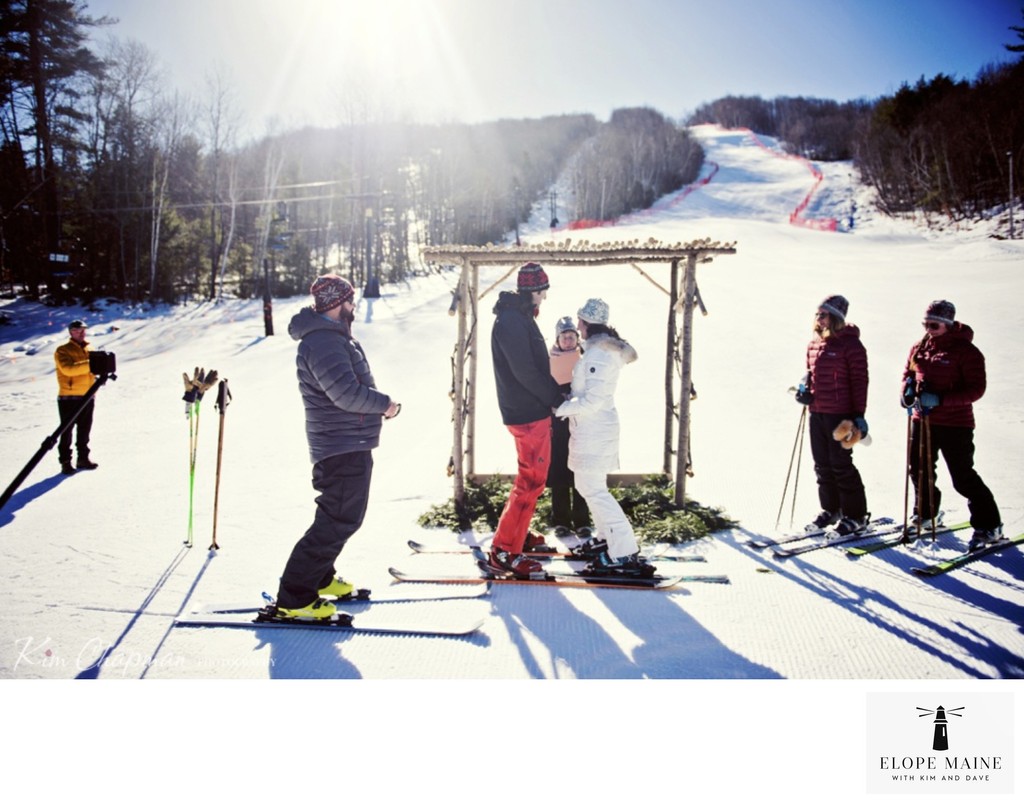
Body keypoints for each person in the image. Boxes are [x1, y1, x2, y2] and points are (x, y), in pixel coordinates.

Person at [273, 275, 400, 620]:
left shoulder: (331, 339)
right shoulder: (324, 343)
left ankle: (321, 578)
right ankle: (294, 598)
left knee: (341, 518)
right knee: (338, 519)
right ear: (337, 303)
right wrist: (385, 404)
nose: (354, 305)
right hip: (340, 446)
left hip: (347, 442)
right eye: (350, 300)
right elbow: (344, 394)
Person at [555, 298, 652, 576]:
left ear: (586, 323)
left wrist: (560, 408)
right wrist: (569, 400)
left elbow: (594, 400)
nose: (578, 326)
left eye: (580, 321)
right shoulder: (596, 351)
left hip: (594, 431)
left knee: (594, 491)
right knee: (589, 488)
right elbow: (587, 394)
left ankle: (623, 550)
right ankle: (606, 538)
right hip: (591, 430)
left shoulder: (598, 354)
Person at [901, 300, 1002, 551]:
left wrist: (941, 399)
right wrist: (907, 390)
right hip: (922, 419)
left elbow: (976, 390)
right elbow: (909, 374)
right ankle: (927, 513)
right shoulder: (919, 347)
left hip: (955, 423)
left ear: (947, 324)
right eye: (925, 323)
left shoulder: (966, 351)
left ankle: (990, 525)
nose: (928, 329)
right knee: (919, 469)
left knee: (963, 477)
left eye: (933, 324)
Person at [488, 262, 566, 577]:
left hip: (528, 409)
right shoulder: (512, 322)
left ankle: (517, 537)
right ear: (533, 291)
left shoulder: (518, 318)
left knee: (530, 477)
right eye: (543, 291)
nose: (544, 298)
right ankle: (505, 551)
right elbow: (525, 371)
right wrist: (553, 397)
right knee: (532, 480)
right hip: (527, 412)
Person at [796, 295, 870, 536]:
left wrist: (858, 414)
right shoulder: (814, 344)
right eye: (817, 314)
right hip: (817, 412)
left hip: (841, 415)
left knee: (841, 464)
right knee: (822, 465)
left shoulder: (851, 345)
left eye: (823, 314)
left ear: (836, 317)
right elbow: (810, 376)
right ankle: (831, 509)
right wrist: (805, 392)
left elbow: (860, 382)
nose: (818, 318)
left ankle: (856, 515)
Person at [547, 316, 591, 538]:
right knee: (559, 468)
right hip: (557, 420)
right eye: (564, 337)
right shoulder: (549, 358)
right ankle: (561, 519)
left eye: (571, 336)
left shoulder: (584, 357)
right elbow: (543, 385)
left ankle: (582, 519)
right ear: (557, 338)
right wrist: (557, 399)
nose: (567, 341)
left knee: (580, 468)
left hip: (580, 419)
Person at [54, 319, 99, 475]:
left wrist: (97, 371)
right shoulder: (62, 350)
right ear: (71, 332)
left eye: (83, 330)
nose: (82, 333)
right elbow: (69, 370)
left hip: (88, 394)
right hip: (69, 396)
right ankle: (65, 462)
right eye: (78, 330)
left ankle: (83, 458)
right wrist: (91, 363)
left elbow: (91, 368)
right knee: (66, 431)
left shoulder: (89, 348)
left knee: (84, 430)